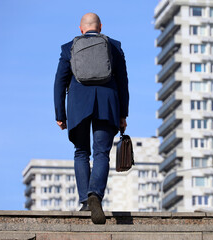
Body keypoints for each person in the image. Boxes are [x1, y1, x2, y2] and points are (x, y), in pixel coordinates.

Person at [54, 13, 129, 224]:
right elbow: (123, 82)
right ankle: (95, 194)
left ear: (81, 29)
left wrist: (60, 114)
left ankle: (85, 202)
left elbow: (60, 82)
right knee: (101, 152)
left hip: (78, 105)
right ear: (100, 27)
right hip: (107, 103)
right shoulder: (113, 46)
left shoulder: (69, 47)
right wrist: (123, 113)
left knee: (81, 152)